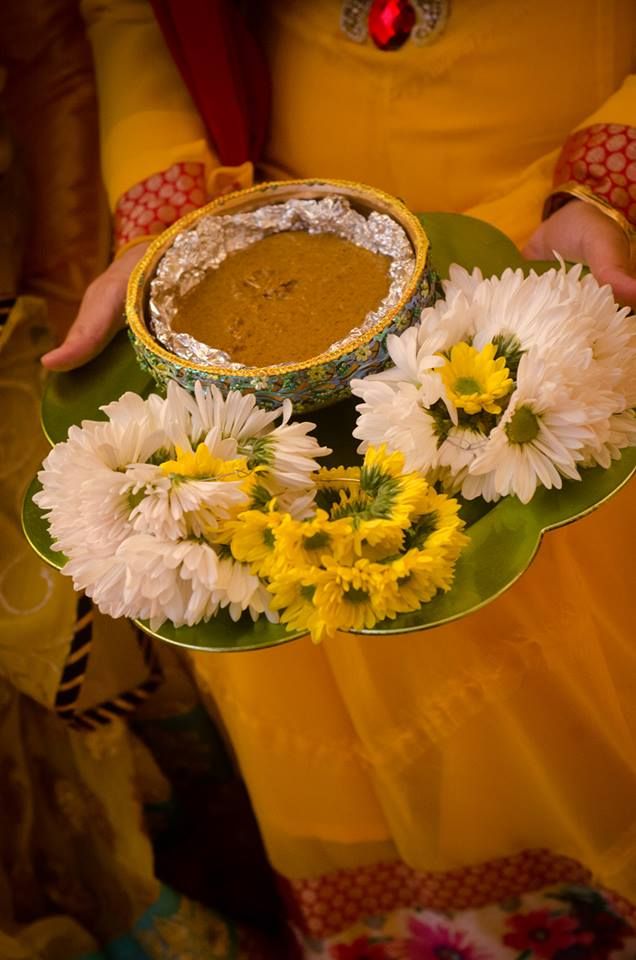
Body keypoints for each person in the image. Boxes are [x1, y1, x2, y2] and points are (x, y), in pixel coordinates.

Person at [37, 0, 636, 956]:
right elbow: (130, 12)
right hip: (274, 288)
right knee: (329, 629)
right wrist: (165, 229)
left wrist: (611, 187)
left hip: (561, 255)